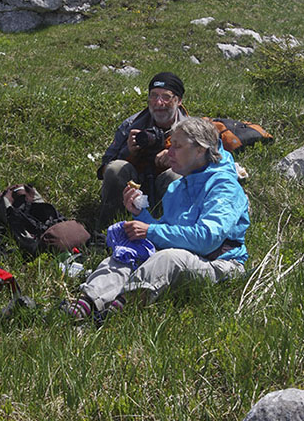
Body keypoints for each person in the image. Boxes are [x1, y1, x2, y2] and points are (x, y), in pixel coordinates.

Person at [67, 117, 250, 322]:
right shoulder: (178, 186)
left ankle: (117, 314)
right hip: (185, 256)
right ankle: (87, 302)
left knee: (168, 259)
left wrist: (149, 230)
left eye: (177, 146)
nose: (169, 153)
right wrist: (140, 215)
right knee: (127, 253)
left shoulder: (224, 187)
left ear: (200, 150)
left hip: (220, 263)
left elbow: (207, 239)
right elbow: (168, 230)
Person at [96, 72, 190, 230]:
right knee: (116, 168)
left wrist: (177, 159)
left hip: (167, 192)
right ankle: (108, 228)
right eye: (154, 96)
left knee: (176, 176)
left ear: (178, 101)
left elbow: (206, 170)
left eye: (166, 97)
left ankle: (173, 230)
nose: (158, 102)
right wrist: (129, 154)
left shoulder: (191, 130)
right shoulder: (131, 125)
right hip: (134, 188)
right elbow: (105, 168)